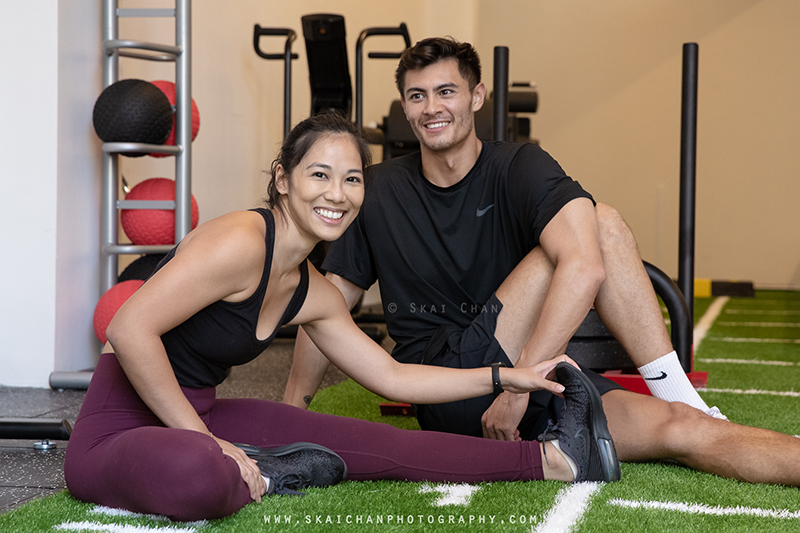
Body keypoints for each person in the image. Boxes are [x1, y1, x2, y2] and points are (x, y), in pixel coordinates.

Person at [285, 37, 800, 486]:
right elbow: (324, 309)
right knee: (595, 224)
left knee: (682, 429)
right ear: (404, 105)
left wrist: (522, 386)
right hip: (449, 384)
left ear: (476, 97)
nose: (431, 108)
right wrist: (292, 412)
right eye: (416, 96)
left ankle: (682, 401)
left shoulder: (519, 165)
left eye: (446, 91)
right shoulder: (379, 189)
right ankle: (672, 393)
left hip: (534, 375)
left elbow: (589, 267)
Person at [64, 112, 622, 523]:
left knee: (381, 445)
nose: (338, 194)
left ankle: (551, 461)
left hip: (200, 415)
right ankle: (255, 471)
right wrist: (211, 444)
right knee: (199, 475)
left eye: (353, 179)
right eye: (320, 176)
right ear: (283, 179)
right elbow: (128, 328)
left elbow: (393, 377)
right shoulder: (238, 242)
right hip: (117, 432)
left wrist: (506, 377)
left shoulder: (312, 291)